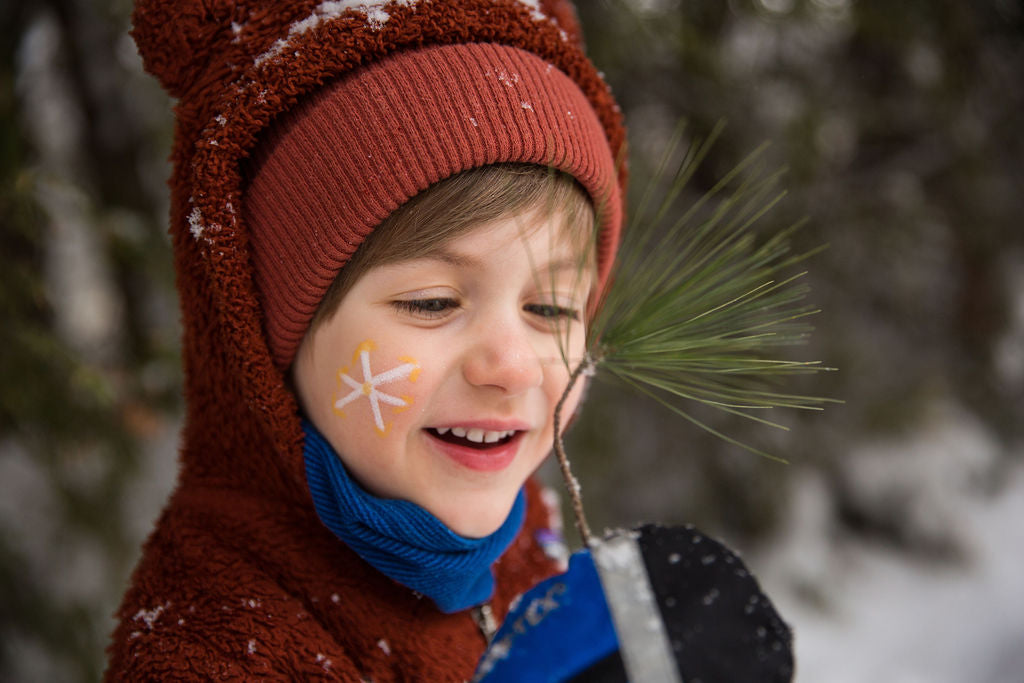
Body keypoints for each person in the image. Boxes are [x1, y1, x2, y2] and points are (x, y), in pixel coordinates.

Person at [107, 1, 625, 679]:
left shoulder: (518, 538)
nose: (514, 366)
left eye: (552, 308)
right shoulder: (215, 647)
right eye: (431, 301)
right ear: (267, 339)